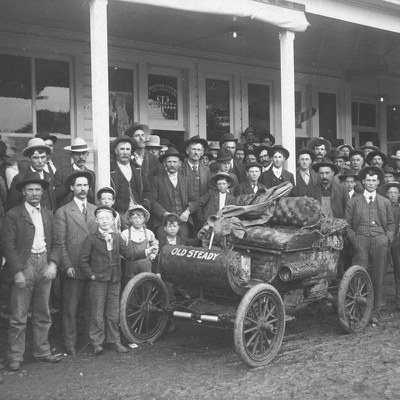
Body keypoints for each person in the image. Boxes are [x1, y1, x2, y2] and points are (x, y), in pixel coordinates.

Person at [2, 171, 62, 371]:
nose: (35, 193)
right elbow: (8, 246)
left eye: (38, 190)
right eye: (30, 190)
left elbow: (56, 242)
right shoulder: (13, 215)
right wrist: (17, 270)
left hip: (43, 262)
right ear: (23, 192)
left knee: (42, 312)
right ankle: (15, 356)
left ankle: (42, 350)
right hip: (24, 264)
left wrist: (53, 263)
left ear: (43, 192)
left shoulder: (48, 214)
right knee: (19, 315)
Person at [78, 206, 157, 355]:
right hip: (98, 281)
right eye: (101, 218)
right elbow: (83, 261)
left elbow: (128, 253)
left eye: (107, 218)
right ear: (96, 220)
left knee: (113, 312)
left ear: (113, 220)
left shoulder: (117, 237)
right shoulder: (91, 238)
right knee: (97, 312)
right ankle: (97, 342)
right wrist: (91, 275)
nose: (104, 221)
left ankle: (114, 340)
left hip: (114, 280)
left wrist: (146, 251)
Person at [345, 166, 395, 322]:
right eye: (368, 180)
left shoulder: (385, 202)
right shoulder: (353, 202)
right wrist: (354, 239)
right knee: (358, 275)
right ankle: (359, 310)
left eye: (374, 181)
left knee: (378, 276)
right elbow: (346, 224)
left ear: (378, 182)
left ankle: (374, 311)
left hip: (380, 242)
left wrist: (387, 238)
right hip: (360, 241)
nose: (371, 183)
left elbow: (392, 224)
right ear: (363, 182)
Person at [55, 170, 97, 356]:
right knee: (70, 307)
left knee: (91, 305)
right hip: (73, 266)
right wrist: (66, 265)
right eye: (79, 185)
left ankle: (91, 340)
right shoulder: (63, 211)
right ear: (72, 188)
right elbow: (59, 242)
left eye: (85, 185)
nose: (82, 189)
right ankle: (70, 342)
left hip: (93, 267)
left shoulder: (97, 211)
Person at [110, 135, 152, 229]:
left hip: (138, 214)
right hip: (120, 214)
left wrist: (144, 207)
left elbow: (148, 191)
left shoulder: (138, 169)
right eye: (122, 149)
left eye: (128, 149)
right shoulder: (110, 170)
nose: (125, 152)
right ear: (116, 151)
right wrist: (116, 214)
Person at [8, 138, 59, 212]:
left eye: (43, 157)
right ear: (29, 158)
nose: (40, 161)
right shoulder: (20, 178)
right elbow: (13, 207)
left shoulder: (50, 176)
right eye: (36, 158)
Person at [151, 147, 191, 239]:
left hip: (182, 222)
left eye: (175, 162)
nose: (172, 164)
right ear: (164, 163)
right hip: (164, 223)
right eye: (169, 162)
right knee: (165, 249)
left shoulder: (185, 180)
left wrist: (187, 211)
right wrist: (164, 214)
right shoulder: (157, 180)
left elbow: (193, 199)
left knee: (183, 248)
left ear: (180, 163)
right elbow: (153, 201)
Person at [121, 205, 159, 283]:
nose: (137, 221)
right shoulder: (125, 234)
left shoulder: (148, 233)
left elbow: (155, 245)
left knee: (146, 288)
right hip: (130, 268)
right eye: (135, 218)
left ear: (144, 219)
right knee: (130, 290)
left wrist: (152, 256)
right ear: (130, 220)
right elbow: (121, 251)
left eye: (140, 218)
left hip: (145, 267)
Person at [180, 136, 210, 233]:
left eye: (198, 150)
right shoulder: (180, 168)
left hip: (201, 210)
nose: (196, 152)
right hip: (184, 209)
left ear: (202, 152)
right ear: (187, 151)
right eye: (193, 149)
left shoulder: (206, 170)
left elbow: (208, 190)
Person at [57, 138, 96, 207]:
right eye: (77, 154)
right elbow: (56, 196)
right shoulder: (62, 172)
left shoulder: (91, 174)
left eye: (83, 153)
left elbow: (92, 198)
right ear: (72, 155)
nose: (81, 157)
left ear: (87, 154)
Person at [383, 182, 400, 310]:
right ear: (386, 194)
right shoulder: (383, 206)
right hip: (385, 240)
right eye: (391, 193)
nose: (393, 195)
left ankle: (398, 297)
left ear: (399, 194)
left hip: (398, 241)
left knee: (398, 269)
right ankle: (381, 299)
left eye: (395, 193)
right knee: (382, 269)